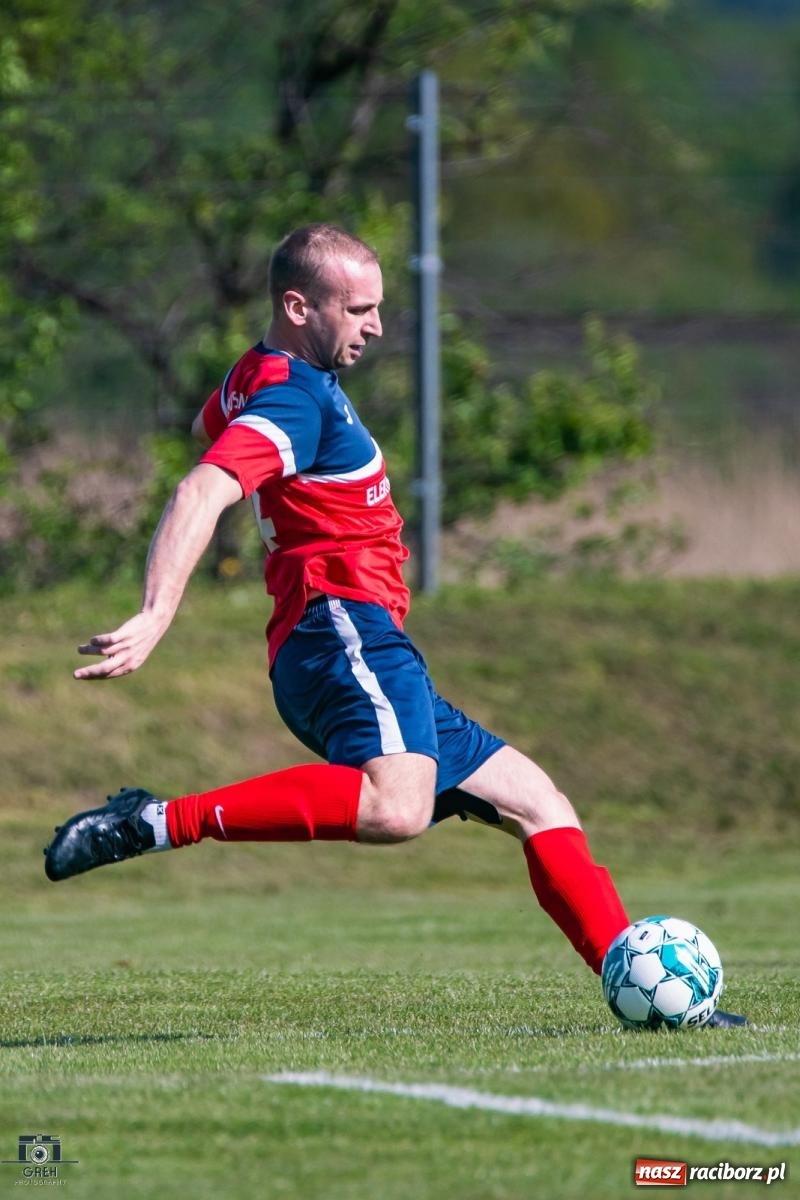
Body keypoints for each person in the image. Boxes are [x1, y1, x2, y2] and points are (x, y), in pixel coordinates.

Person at [44, 223, 744, 1025]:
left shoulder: (260, 376)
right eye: (361, 308)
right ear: (299, 304)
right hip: (341, 630)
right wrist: (157, 612)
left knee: (538, 803)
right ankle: (157, 821)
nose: (377, 326)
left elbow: (215, 423)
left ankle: (643, 991)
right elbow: (204, 487)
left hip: (352, 639)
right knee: (396, 808)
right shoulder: (297, 399)